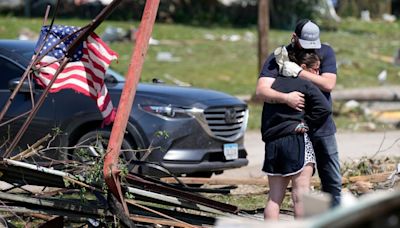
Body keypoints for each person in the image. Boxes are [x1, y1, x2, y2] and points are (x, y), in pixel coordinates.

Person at [256, 19, 341, 208]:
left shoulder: (325, 52)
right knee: (299, 189)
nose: (310, 50)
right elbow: (262, 90)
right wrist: (286, 98)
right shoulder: (278, 57)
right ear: (294, 38)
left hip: (322, 127)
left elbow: (328, 84)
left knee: (332, 181)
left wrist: (298, 73)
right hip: (293, 129)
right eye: (305, 44)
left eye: (314, 45)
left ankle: (337, 219)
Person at [261, 48, 332, 219]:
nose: (318, 73)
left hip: (273, 144)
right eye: (315, 69)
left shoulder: (275, 86)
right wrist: (306, 122)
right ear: (302, 67)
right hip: (296, 140)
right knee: (300, 196)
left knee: (274, 199)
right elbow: (325, 108)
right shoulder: (305, 84)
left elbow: (266, 117)